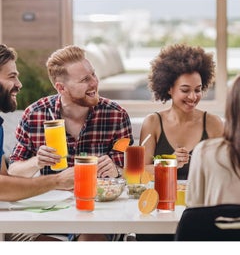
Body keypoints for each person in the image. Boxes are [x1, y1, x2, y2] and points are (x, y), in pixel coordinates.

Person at [8, 44, 134, 241]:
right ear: (61, 88)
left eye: (93, 74)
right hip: (49, 212)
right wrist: (36, 162)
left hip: (98, 211)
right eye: (85, 79)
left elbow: (131, 173)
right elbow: (12, 172)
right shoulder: (35, 114)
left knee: (90, 240)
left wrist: (116, 169)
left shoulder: (115, 115)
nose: (94, 83)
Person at [136, 43, 224, 241]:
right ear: (169, 88)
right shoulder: (153, 122)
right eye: (185, 90)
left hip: (200, 211)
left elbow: (224, 172)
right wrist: (170, 164)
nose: (193, 97)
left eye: (198, 89)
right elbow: (139, 173)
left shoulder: (212, 123)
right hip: (159, 211)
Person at [0, 44, 74, 240]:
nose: (19, 84)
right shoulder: (34, 112)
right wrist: (56, 181)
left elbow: (5, 182)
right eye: (11, 76)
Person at [186, 74, 240, 207]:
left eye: (197, 90)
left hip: (215, 227)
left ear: (230, 108)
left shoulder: (205, 151)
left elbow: (194, 210)